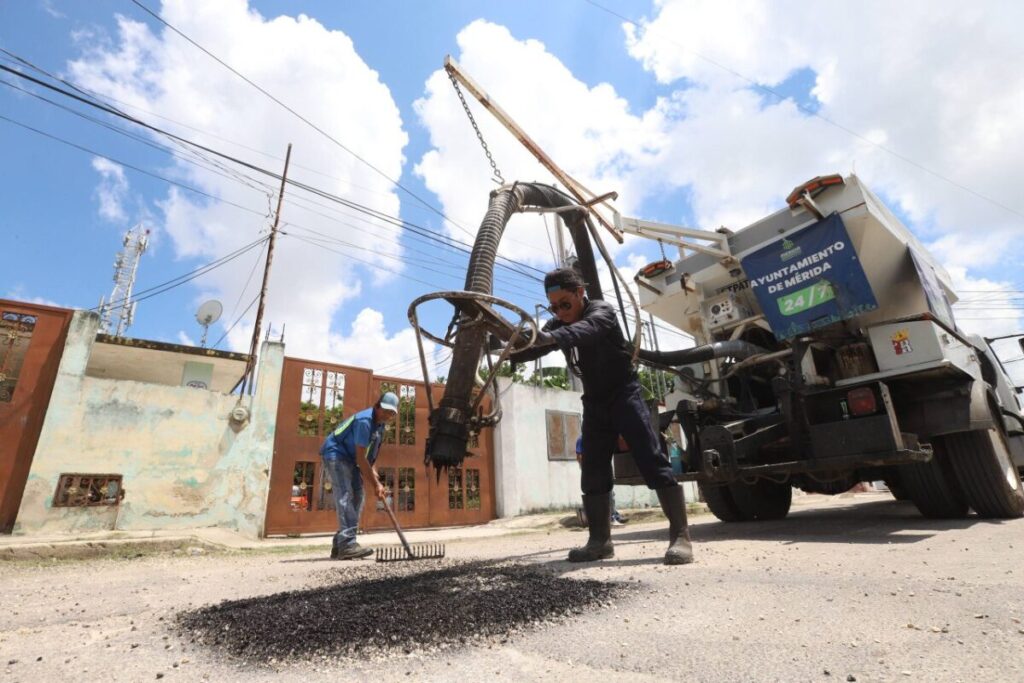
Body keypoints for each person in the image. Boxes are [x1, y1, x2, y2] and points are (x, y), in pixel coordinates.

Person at [509, 267, 693, 565]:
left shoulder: (601, 312)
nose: (560, 312)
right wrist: (504, 345)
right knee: (593, 469)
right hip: (594, 402)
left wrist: (550, 336)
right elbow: (533, 346)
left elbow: (584, 330)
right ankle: (600, 542)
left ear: (580, 292)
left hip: (625, 395)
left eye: (565, 304)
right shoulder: (560, 323)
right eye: (554, 308)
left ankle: (681, 537)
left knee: (651, 460)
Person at [319, 391, 399, 560]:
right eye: (385, 410)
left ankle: (340, 544)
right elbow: (361, 458)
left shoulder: (380, 425)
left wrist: (373, 473)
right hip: (336, 454)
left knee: (358, 496)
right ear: (377, 406)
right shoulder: (365, 421)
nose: (387, 415)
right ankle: (347, 544)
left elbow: (369, 456)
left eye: (391, 413)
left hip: (352, 458)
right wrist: (376, 484)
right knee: (345, 495)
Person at [575, 436, 627, 526]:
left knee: (610, 492)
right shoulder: (582, 439)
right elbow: (579, 456)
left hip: (601, 467)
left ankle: (614, 516)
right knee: (601, 493)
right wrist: (585, 468)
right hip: (592, 469)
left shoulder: (599, 437)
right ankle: (610, 518)